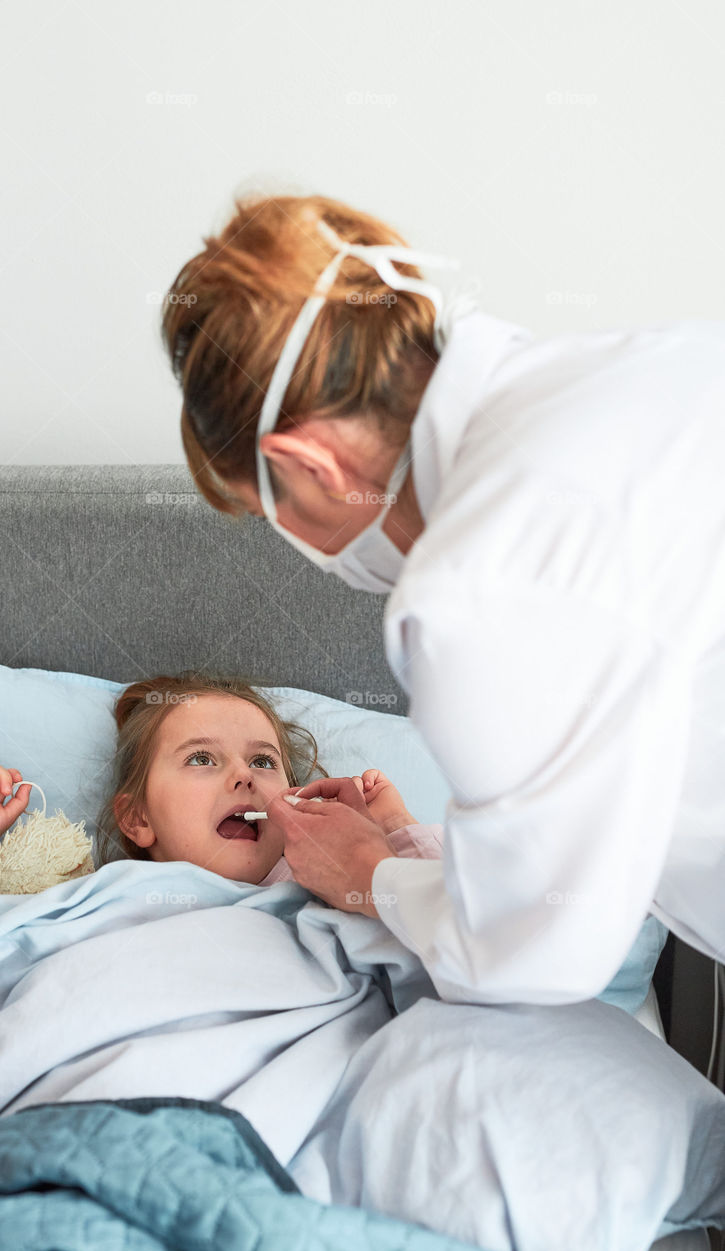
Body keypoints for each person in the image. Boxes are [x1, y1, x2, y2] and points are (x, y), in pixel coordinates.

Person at [160, 191, 725, 1004]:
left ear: (312, 466)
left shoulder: (476, 593)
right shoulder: (646, 365)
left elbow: (531, 955)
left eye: (267, 512)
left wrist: (372, 871)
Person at [0, 672, 441, 920]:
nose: (243, 777)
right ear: (137, 820)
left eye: (263, 761)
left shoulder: (330, 889)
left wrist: (389, 828)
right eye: (202, 758)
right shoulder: (96, 894)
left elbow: (451, 925)